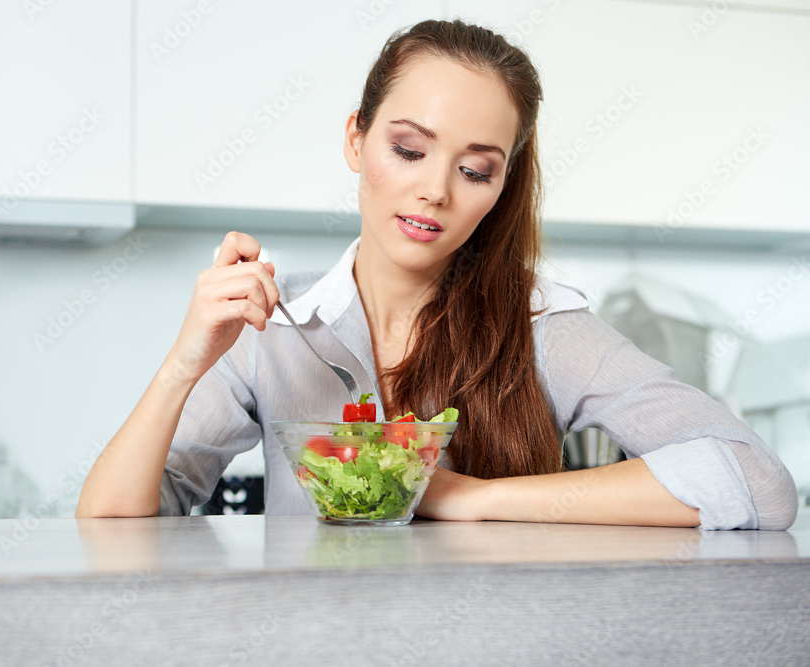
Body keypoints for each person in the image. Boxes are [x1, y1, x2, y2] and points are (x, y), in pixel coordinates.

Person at [76, 19, 798, 530]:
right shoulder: (276, 324)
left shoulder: (542, 323)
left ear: (502, 185)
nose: (435, 192)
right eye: (409, 149)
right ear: (356, 139)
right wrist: (184, 363)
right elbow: (111, 520)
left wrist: (471, 499)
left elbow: (758, 483)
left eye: (476, 169)